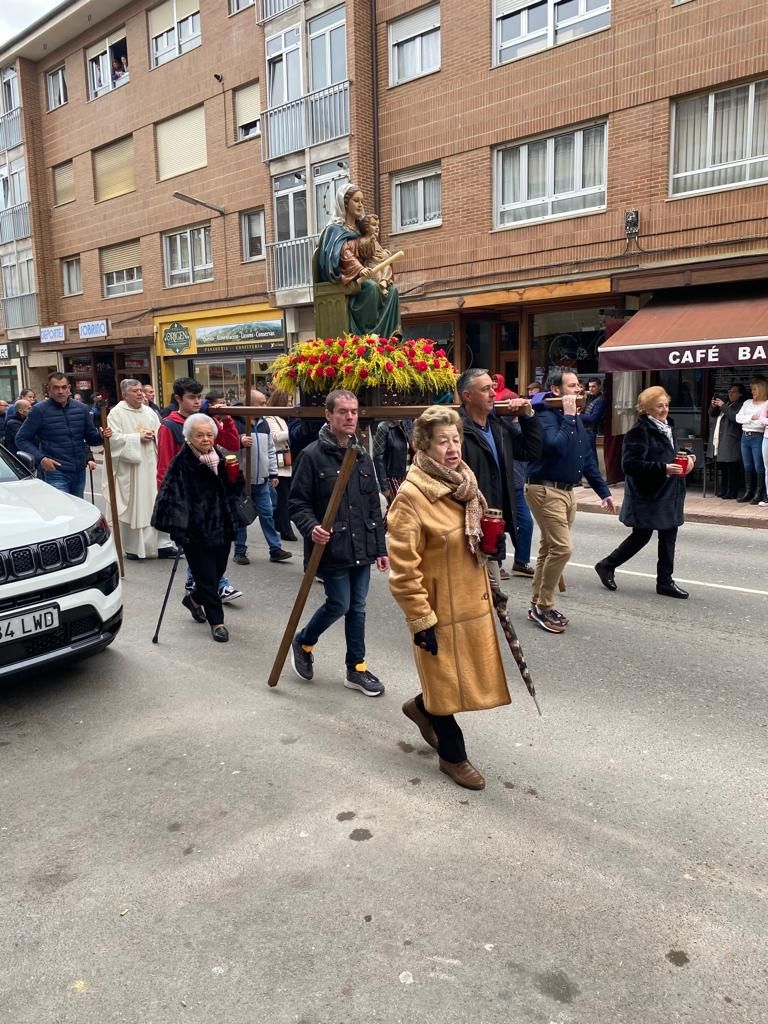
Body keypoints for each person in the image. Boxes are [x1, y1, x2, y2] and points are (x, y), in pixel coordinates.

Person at [387, 406, 511, 791]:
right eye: (443, 441)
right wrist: (420, 619)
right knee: (445, 686)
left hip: (470, 603)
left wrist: (491, 548)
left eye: (456, 439)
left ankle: (420, 707)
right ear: (424, 446)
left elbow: (469, 541)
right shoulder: (411, 496)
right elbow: (403, 567)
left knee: (463, 681)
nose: (453, 448)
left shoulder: (465, 485)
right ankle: (452, 756)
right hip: (438, 611)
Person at [288, 389, 388, 697]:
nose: (349, 417)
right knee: (340, 603)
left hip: (362, 546)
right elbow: (297, 503)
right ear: (328, 415)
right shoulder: (311, 455)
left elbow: (373, 503)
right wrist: (312, 527)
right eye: (342, 411)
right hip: (331, 546)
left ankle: (355, 669)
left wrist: (380, 548)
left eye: (354, 411)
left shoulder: (362, 456)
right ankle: (304, 641)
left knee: (357, 608)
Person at [525, 369, 615, 633]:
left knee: (549, 549)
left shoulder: (573, 416)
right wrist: (568, 416)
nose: (579, 390)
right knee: (562, 549)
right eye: (573, 386)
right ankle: (544, 606)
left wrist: (603, 491)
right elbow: (555, 446)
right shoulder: (545, 415)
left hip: (566, 492)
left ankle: (537, 605)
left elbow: (585, 457)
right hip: (544, 489)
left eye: (579, 386)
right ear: (556, 390)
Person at [595, 387, 694, 599]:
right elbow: (630, 465)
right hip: (649, 494)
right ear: (647, 409)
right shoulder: (638, 432)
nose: (664, 410)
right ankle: (607, 565)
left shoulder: (669, 427)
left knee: (669, 536)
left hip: (671, 492)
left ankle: (665, 581)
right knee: (641, 536)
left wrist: (690, 458)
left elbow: (677, 451)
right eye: (659, 406)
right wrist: (664, 468)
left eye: (666, 405)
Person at [152, 414, 243, 643]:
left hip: (222, 526)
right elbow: (170, 497)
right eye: (199, 435)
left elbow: (233, 491)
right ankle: (217, 622)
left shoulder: (221, 457)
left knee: (218, 571)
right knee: (207, 578)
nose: (205, 439)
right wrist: (179, 529)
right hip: (195, 531)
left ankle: (193, 600)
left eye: (209, 434)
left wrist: (234, 476)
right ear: (189, 438)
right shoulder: (181, 462)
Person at [157, 378, 243, 603]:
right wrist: (172, 510)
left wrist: (226, 419)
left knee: (213, 559)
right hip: (189, 500)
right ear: (178, 399)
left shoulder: (207, 422)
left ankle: (196, 592)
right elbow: (165, 468)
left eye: (199, 397)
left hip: (214, 501)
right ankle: (209, 592)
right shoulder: (170, 425)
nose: (197, 402)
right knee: (201, 557)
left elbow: (232, 444)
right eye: (192, 397)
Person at [456, 368, 541, 582]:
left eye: (493, 388)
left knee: (488, 593)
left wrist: (527, 416)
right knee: (484, 593)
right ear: (467, 396)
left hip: (494, 521)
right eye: (485, 389)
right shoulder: (455, 430)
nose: (493, 394)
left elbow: (530, 451)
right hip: (467, 523)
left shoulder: (497, 426)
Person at [316, 183, 401, 338]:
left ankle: (388, 338)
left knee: (393, 291)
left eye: (362, 201)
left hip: (368, 274)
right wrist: (359, 269)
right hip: (348, 280)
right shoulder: (335, 230)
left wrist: (384, 256)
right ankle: (367, 336)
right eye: (356, 201)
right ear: (345, 203)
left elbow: (373, 250)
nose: (361, 205)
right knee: (371, 287)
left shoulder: (361, 229)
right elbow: (344, 253)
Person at [105, 379, 177, 560]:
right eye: (135, 391)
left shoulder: (150, 412)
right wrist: (137, 437)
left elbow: (161, 433)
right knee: (136, 506)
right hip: (132, 469)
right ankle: (134, 548)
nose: (140, 394)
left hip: (151, 463)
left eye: (140, 390)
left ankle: (163, 545)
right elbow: (112, 440)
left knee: (157, 502)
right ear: (124, 394)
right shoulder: (116, 413)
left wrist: (154, 437)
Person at [16, 371, 110, 496]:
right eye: (56, 387)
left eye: (63, 387)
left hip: (79, 471)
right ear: (48, 389)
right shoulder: (39, 410)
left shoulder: (81, 409)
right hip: (55, 470)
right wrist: (41, 458)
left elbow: (91, 439)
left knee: (78, 510)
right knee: (61, 510)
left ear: (69, 389)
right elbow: (21, 439)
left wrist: (101, 436)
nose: (60, 391)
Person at [233, 388, 292, 566]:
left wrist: (273, 472)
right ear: (250, 404)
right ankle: (239, 550)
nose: (265, 405)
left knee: (267, 514)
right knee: (241, 516)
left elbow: (270, 450)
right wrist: (238, 442)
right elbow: (225, 449)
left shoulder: (264, 424)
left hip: (262, 479)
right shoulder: (236, 424)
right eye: (262, 403)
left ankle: (275, 548)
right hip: (241, 480)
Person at [264, 387, 297, 542]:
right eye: (288, 401)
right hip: (278, 461)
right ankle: (284, 528)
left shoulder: (282, 418)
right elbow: (276, 436)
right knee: (283, 497)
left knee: (286, 496)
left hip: (285, 460)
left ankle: (281, 524)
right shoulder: (271, 417)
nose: (290, 404)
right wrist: (294, 430)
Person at [709, 384, 746, 499]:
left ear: (740, 394)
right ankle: (724, 489)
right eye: (729, 391)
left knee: (732, 466)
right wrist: (713, 406)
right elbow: (712, 414)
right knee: (723, 466)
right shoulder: (727, 403)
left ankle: (732, 491)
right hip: (721, 438)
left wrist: (723, 406)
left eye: (734, 392)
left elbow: (734, 417)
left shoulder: (740, 405)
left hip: (732, 439)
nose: (730, 394)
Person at [735, 376, 768, 504]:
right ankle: (748, 491)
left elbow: (761, 423)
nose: (752, 392)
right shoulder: (747, 402)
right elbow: (738, 418)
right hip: (745, 436)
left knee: (759, 466)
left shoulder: (766, 403)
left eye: (754, 389)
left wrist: (749, 419)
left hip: (758, 436)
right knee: (747, 465)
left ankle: (759, 493)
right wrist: (751, 418)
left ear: (761, 389)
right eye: (751, 389)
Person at [373, 418, 412, 504]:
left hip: (407, 476)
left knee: (406, 509)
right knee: (399, 508)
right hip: (392, 478)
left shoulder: (404, 425)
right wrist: (384, 486)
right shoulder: (383, 427)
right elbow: (378, 457)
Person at [357, 214, 394, 295]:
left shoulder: (376, 242)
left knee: (387, 267)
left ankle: (384, 282)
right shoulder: (364, 240)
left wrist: (386, 254)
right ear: (366, 227)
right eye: (374, 225)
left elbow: (382, 254)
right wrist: (371, 242)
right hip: (371, 265)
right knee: (377, 273)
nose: (377, 228)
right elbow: (366, 254)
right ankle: (381, 287)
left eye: (378, 225)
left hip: (380, 264)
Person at [581, 378, 606, 467]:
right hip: (584, 430)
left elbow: (593, 418)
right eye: (590, 386)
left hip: (590, 431)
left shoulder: (601, 400)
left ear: (599, 387)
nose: (591, 389)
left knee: (591, 455)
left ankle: (595, 477)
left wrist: (577, 415)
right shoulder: (590, 397)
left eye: (593, 386)